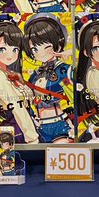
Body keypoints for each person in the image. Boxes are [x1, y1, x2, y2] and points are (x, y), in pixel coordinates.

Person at [0, 16, 38, 143]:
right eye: (2, 49)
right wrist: (32, 137)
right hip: (17, 129)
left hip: (23, 125)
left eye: (15, 49)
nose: (10, 55)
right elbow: (17, 107)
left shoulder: (9, 73)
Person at [23, 14, 73, 143]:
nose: (39, 52)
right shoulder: (34, 75)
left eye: (44, 45)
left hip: (59, 124)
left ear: (58, 44)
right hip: (38, 125)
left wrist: (71, 53)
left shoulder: (64, 70)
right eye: (34, 48)